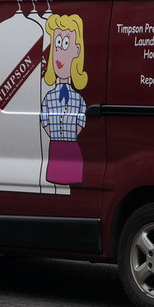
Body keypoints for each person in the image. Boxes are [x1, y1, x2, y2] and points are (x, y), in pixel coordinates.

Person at [40, 14, 88, 185]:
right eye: (57, 44)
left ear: (77, 50)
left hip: (71, 150)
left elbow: (80, 123)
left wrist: (67, 135)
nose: (59, 52)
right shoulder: (49, 96)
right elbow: (44, 120)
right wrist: (56, 135)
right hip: (55, 149)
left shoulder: (78, 98)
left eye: (65, 43)